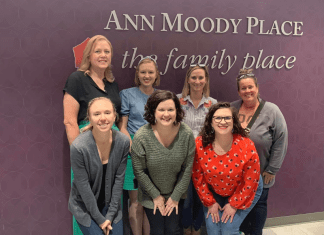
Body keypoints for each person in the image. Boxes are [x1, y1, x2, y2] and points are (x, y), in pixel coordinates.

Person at [63, 35, 121, 235]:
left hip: (111, 152)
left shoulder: (112, 84)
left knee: (110, 202)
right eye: (98, 51)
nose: (103, 55)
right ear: (89, 54)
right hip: (86, 152)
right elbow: (70, 121)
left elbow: (118, 118)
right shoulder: (77, 79)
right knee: (85, 204)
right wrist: (80, 153)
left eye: (107, 51)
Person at [231, 69, 288, 235]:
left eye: (250, 87)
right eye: (243, 88)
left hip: (261, 172)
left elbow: (281, 140)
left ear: (257, 88)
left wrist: (272, 169)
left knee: (258, 205)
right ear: (238, 91)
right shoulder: (232, 108)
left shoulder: (272, 110)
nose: (247, 91)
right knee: (238, 206)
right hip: (235, 173)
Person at [192, 102, 263, 235]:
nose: (222, 121)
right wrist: (210, 202)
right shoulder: (200, 144)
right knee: (213, 230)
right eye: (218, 118)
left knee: (228, 230)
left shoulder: (246, 145)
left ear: (234, 121)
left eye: (227, 118)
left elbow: (250, 181)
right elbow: (197, 177)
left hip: (247, 189)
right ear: (210, 122)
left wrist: (234, 204)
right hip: (215, 191)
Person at [131, 90, 195, 235]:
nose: (166, 114)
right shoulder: (141, 136)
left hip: (177, 192)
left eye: (170, 109)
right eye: (161, 109)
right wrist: (155, 195)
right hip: (150, 193)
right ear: (153, 111)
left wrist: (175, 196)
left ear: (177, 111)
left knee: (173, 229)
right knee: (157, 230)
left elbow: (187, 168)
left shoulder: (186, 133)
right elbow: (139, 170)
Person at [68, 97, 129, 235]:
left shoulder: (123, 142)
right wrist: (101, 220)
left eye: (107, 112)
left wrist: (110, 215)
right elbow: (84, 189)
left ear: (114, 115)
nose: (103, 118)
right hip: (85, 206)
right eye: (96, 114)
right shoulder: (78, 147)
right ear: (89, 118)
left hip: (111, 205)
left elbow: (119, 181)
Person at [118, 56, 160, 235]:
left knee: (149, 201)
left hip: (155, 152)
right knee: (135, 201)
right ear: (137, 74)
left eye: (150, 72)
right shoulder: (126, 94)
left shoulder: (161, 96)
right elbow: (122, 126)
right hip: (132, 152)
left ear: (156, 74)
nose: (147, 75)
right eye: (143, 72)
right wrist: (134, 146)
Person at [177, 65, 217, 235]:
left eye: (201, 78)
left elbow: (215, 130)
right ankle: (186, 230)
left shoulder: (212, 104)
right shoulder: (177, 101)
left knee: (202, 198)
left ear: (206, 80)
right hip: (182, 159)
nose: (197, 81)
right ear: (188, 79)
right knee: (185, 200)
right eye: (193, 77)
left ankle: (197, 230)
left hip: (204, 160)